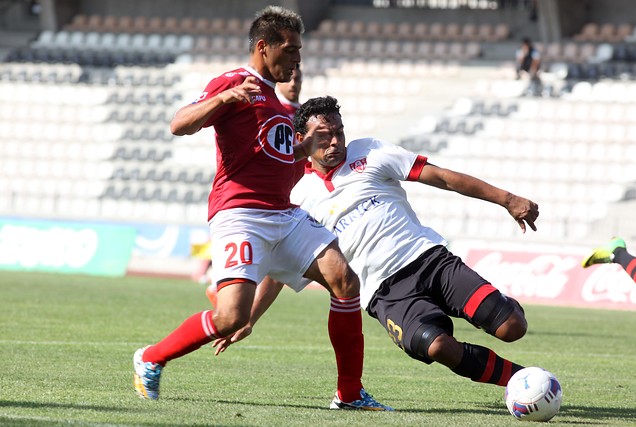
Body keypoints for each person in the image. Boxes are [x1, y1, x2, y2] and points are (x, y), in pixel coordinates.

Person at [133, 8, 390, 411]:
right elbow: (178, 124)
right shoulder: (235, 81)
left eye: (300, 51)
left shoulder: (278, 104)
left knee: (345, 282)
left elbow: (283, 175)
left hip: (283, 214)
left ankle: (349, 393)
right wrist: (223, 98)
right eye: (290, 50)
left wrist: (303, 151)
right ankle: (151, 357)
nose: (298, 59)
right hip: (240, 215)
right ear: (262, 47)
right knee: (231, 317)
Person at [215, 96, 541, 391]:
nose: (334, 142)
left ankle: (501, 307)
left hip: (430, 259)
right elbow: (280, 271)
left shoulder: (369, 152)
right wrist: (248, 318)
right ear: (301, 140)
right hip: (385, 293)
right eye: (324, 136)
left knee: (513, 327)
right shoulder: (294, 193)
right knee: (438, 346)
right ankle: (522, 383)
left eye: (338, 132)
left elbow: (440, 176)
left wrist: (507, 199)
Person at [203, 65, 305, 306]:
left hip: (294, 191)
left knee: (285, 259)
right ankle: (228, 291)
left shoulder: (305, 115)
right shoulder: (269, 107)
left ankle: (238, 305)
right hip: (259, 198)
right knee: (273, 257)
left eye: (297, 78)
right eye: (289, 77)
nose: (293, 83)